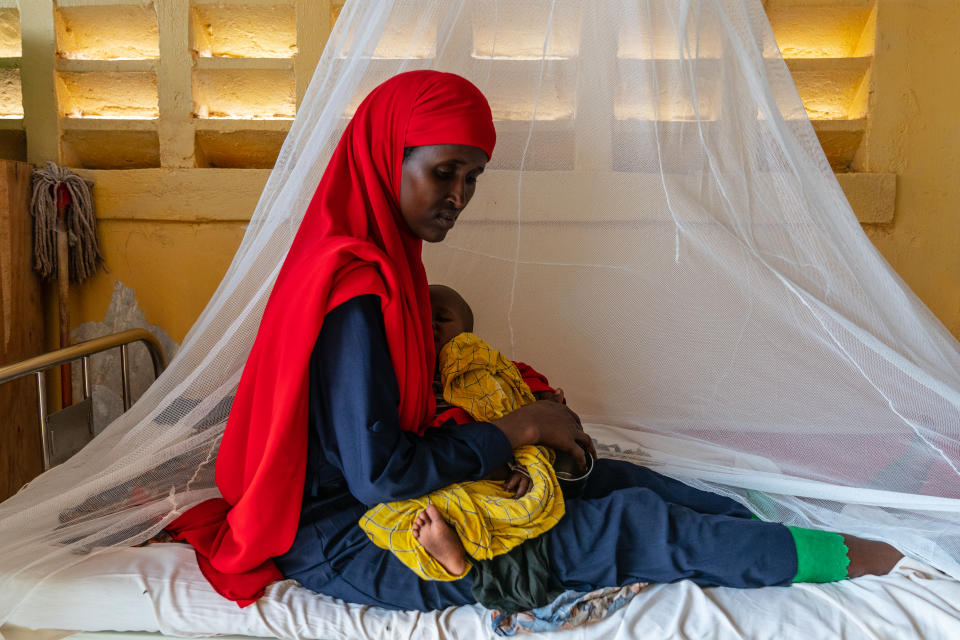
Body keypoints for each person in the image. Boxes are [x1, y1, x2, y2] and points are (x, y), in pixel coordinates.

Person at [167, 70, 903, 612]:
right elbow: (382, 478)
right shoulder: (354, 292)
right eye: (443, 174)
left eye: (473, 178)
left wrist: (531, 430)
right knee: (625, 523)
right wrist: (519, 427)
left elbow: (412, 412)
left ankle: (753, 526)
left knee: (602, 477)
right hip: (361, 534)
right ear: (386, 157)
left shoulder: (382, 265)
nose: (458, 198)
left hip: (405, 497)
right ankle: (860, 561)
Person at [360, 283, 566, 581]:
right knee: (388, 516)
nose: (430, 325)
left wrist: (547, 398)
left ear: (467, 332)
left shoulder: (490, 364)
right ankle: (445, 552)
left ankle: (455, 546)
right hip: (444, 466)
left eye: (442, 319)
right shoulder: (407, 377)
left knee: (518, 491)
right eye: (421, 318)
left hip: (498, 460)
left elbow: (524, 390)